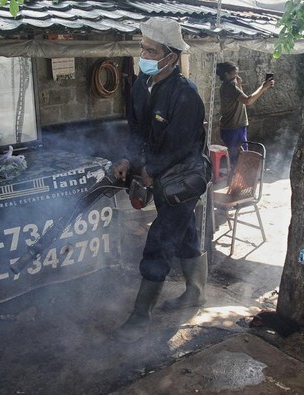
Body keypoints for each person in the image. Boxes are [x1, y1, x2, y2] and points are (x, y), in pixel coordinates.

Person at [111, 17, 208, 343]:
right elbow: (136, 130)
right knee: (185, 232)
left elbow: (179, 146)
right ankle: (195, 294)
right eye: (142, 48)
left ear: (171, 56)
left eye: (151, 50)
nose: (145, 55)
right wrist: (127, 158)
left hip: (183, 180)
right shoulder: (141, 84)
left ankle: (140, 317)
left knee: (160, 240)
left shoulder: (186, 96)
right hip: (157, 174)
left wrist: (150, 171)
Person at [215, 61, 274, 169]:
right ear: (227, 75)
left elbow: (239, 101)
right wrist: (263, 87)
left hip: (232, 127)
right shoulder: (230, 86)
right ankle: (237, 183)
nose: (237, 75)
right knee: (239, 160)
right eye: (235, 73)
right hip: (234, 128)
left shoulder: (228, 85)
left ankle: (235, 181)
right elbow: (248, 100)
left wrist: (240, 85)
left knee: (238, 159)